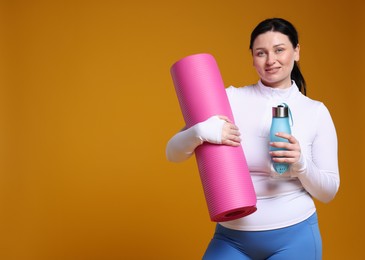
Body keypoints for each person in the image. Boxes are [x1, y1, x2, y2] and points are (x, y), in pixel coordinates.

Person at [166, 18, 339, 260]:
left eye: (280, 50)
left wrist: (302, 164)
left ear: (296, 51)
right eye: (261, 53)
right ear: (252, 56)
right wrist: (200, 133)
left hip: (295, 237)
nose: (271, 60)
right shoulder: (228, 99)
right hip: (232, 238)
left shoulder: (316, 111)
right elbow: (172, 153)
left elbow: (329, 191)